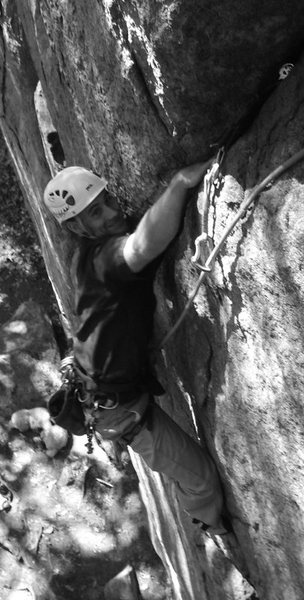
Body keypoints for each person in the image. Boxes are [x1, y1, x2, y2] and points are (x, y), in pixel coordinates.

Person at [44, 162, 229, 535]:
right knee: (202, 479)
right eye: (96, 212)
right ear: (77, 227)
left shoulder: (85, 254)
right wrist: (178, 182)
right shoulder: (102, 260)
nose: (113, 213)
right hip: (119, 410)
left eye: (107, 198)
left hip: (108, 392)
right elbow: (143, 245)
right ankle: (214, 529)